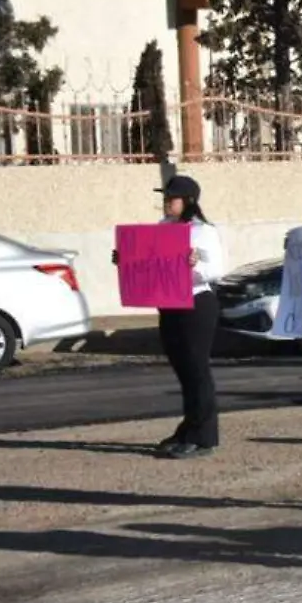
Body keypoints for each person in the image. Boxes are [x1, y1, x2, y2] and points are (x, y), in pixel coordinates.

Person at [120, 175, 226, 459]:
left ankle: (203, 436)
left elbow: (214, 270)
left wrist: (195, 264)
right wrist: (127, 259)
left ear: (188, 201)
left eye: (172, 198)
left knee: (196, 369)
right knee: (183, 370)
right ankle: (189, 427)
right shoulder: (164, 228)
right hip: (169, 303)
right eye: (165, 197)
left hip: (196, 302)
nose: (166, 202)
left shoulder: (202, 231)